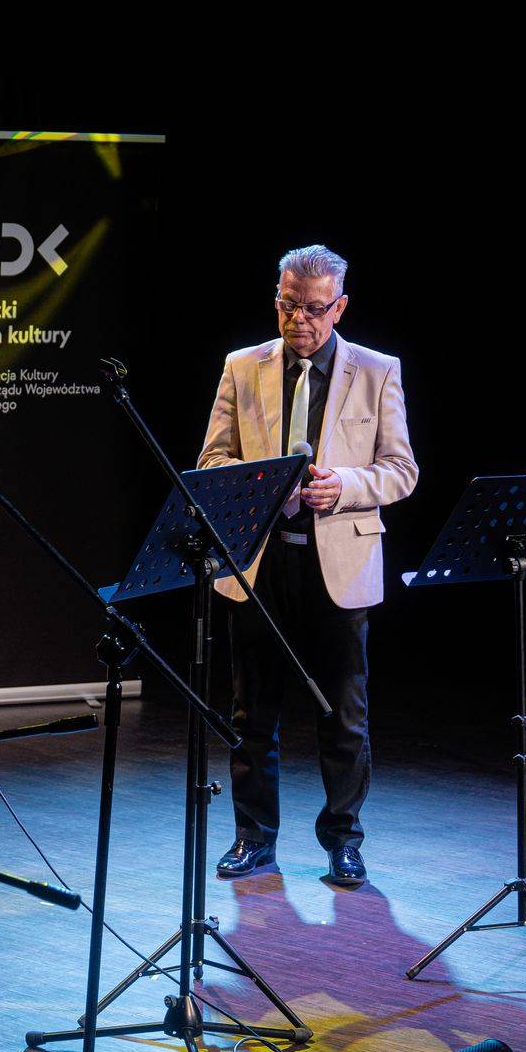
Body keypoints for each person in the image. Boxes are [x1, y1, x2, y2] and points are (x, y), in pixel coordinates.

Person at [198, 244, 418, 888]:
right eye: (289, 304)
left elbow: (402, 470)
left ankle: (344, 841)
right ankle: (253, 838)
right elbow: (212, 461)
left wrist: (343, 485)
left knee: (343, 716)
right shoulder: (243, 366)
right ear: (277, 299)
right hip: (260, 565)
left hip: (339, 566)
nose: (300, 319)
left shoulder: (377, 371)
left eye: (315, 309)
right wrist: (264, 484)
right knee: (251, 714)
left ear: (339, 307)